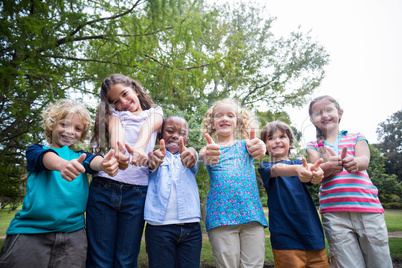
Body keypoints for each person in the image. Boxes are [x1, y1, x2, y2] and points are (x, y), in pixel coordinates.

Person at [0, 99, 119, 268]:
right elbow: (45, 159)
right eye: (64, 124)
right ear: (51, 125)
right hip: (31, 233)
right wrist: (62, 165)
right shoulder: (36, 150)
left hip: (73, 236)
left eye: (78, 128)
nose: (70, 131)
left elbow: (95, 161)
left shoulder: (81, 157)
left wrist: (104, 164)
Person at [306, 95, 392, 268]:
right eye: (318, 113)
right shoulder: (313, 146)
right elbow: (317, 172)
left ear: (340, 113)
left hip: (367, 209)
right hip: (334, 213)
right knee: (346, 264)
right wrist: (330, 166)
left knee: (379, 261)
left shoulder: (356, 137)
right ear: (312, 120)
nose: (324, 115)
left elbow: (364, 160)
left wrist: (354, 162)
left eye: (329, 110)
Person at [87, 74, 163, 267]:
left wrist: (138, 147)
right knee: (100, 259)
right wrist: (120, 151)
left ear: (135, 90)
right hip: (104, 187)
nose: (123, 102)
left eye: (125, 94)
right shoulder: (115, 116)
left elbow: (147, 128)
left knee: (126, 259)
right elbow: (116, 133)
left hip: (136, 194)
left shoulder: (155, 113)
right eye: (116, 101)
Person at [199, 98, 268, 268]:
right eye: (219, 115)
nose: (224, 118)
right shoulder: (209, 147)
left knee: (253, 265)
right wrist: (208, 154)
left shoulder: (247, 145)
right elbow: (204, 155)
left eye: (230, 115)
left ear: (237, 122)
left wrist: (261, 147)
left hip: (251, 215)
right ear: (212, 123)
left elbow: (258, 148)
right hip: (221, 218)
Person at [258, 120, 329, 268]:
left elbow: (313, 173)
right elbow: (278, 169)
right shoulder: (265, 166)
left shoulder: (301, 164)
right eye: (271, 138)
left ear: (290, 143)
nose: (277, 141)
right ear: (265, 146)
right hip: (285, 240)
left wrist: (316, 173)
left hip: (313, 237)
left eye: (282, 137)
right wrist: (298, 170)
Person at [144, 115, 202, 268]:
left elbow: (192, 157)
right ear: (160, 136)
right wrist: (151, 160)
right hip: (159, 229)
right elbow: (149, 165)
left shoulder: (189, 157)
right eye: (170, 131)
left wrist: (192, 153)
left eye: (182, 133)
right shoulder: (154, 156)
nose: (176, 135)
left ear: (187, 140)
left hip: (191, 229)